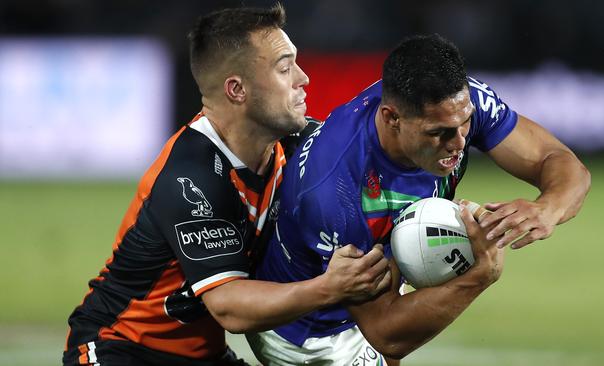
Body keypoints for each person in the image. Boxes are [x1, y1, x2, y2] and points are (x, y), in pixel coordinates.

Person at [62, 4, 391, 366]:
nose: (303, 78)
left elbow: (370, 147)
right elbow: (229, 308)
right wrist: (331, 287)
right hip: (119, 349)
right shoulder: (191, 176)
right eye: (284, 67)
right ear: (237, 89)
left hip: (206, 356)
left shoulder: (296, 145)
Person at [247, 34, 591, 365]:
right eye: (438, 133)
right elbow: (385, 332)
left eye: (466, 123)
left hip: (375, 278)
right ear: (392, 119)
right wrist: (482, 272)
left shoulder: (454, 106)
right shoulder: (335, 193)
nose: (458, 142)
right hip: (311, 333)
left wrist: (548, 208)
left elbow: (557, 160)